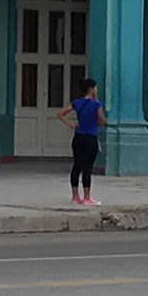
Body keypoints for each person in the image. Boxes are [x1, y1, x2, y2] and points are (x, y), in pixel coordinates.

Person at [57, 77, 106, 206]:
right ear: (91, 89)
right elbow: (101, 122)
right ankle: (87, 197)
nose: (96, 90)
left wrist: (71, 124)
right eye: (95, 88)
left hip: (78, 137)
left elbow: (60, 113)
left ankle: (75, 196)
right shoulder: (96, 104)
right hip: (90, 138)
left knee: (76, 166)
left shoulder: (77, 102)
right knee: (87, 168)